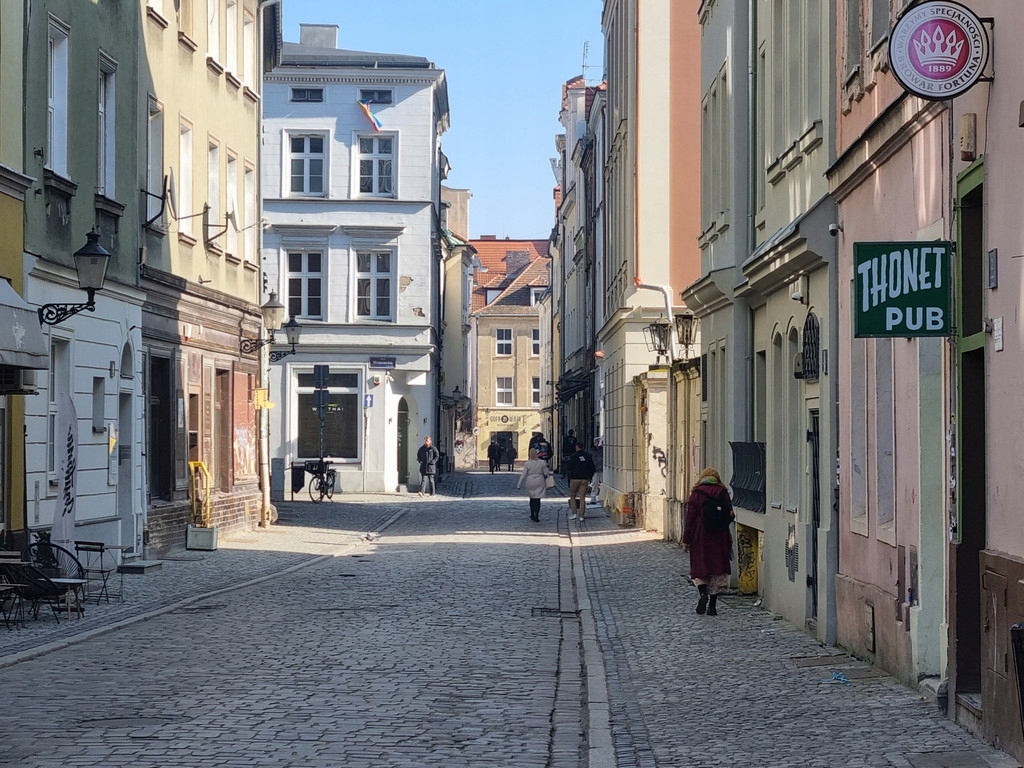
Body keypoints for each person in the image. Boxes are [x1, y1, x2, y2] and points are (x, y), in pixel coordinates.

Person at [682, 467, 735, 616]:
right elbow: (731, 515)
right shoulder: (722, 492)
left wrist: (686, 540)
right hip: (720, 536)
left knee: (700, 567)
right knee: (717, 570)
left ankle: (703, 594)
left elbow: (690, 519)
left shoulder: (696, 493)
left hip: (701, 536)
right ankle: (712, 606)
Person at [517, 448, 553, 522]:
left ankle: (532, 514)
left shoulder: (527, 463)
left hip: (530, 480)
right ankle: (537, 515)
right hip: (539, 480)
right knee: (538, 498)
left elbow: (523, 474)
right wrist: (549, 478)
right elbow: (546, 473)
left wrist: (519, 484)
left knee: (532, 498)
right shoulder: (542, 462)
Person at [566, 441, 596, 522]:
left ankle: (574, 513)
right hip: (584, 479)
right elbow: (592, 467)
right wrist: (590, 476)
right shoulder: (588, 456)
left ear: (576, 447)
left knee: (572, 496)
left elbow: (569, 467)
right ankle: (582, 516)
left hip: (575, 479)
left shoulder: (573, 456)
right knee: (582, 497)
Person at [589, 437, 603, 505]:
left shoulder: (603, 450)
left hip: (602, 469)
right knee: (594, 484)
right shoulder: (592, 451)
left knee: (603, 484)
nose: (596, 443)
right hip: (594, 470)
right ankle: (593, 498)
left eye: (597, 442)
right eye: (595, 442)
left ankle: (602, 498)